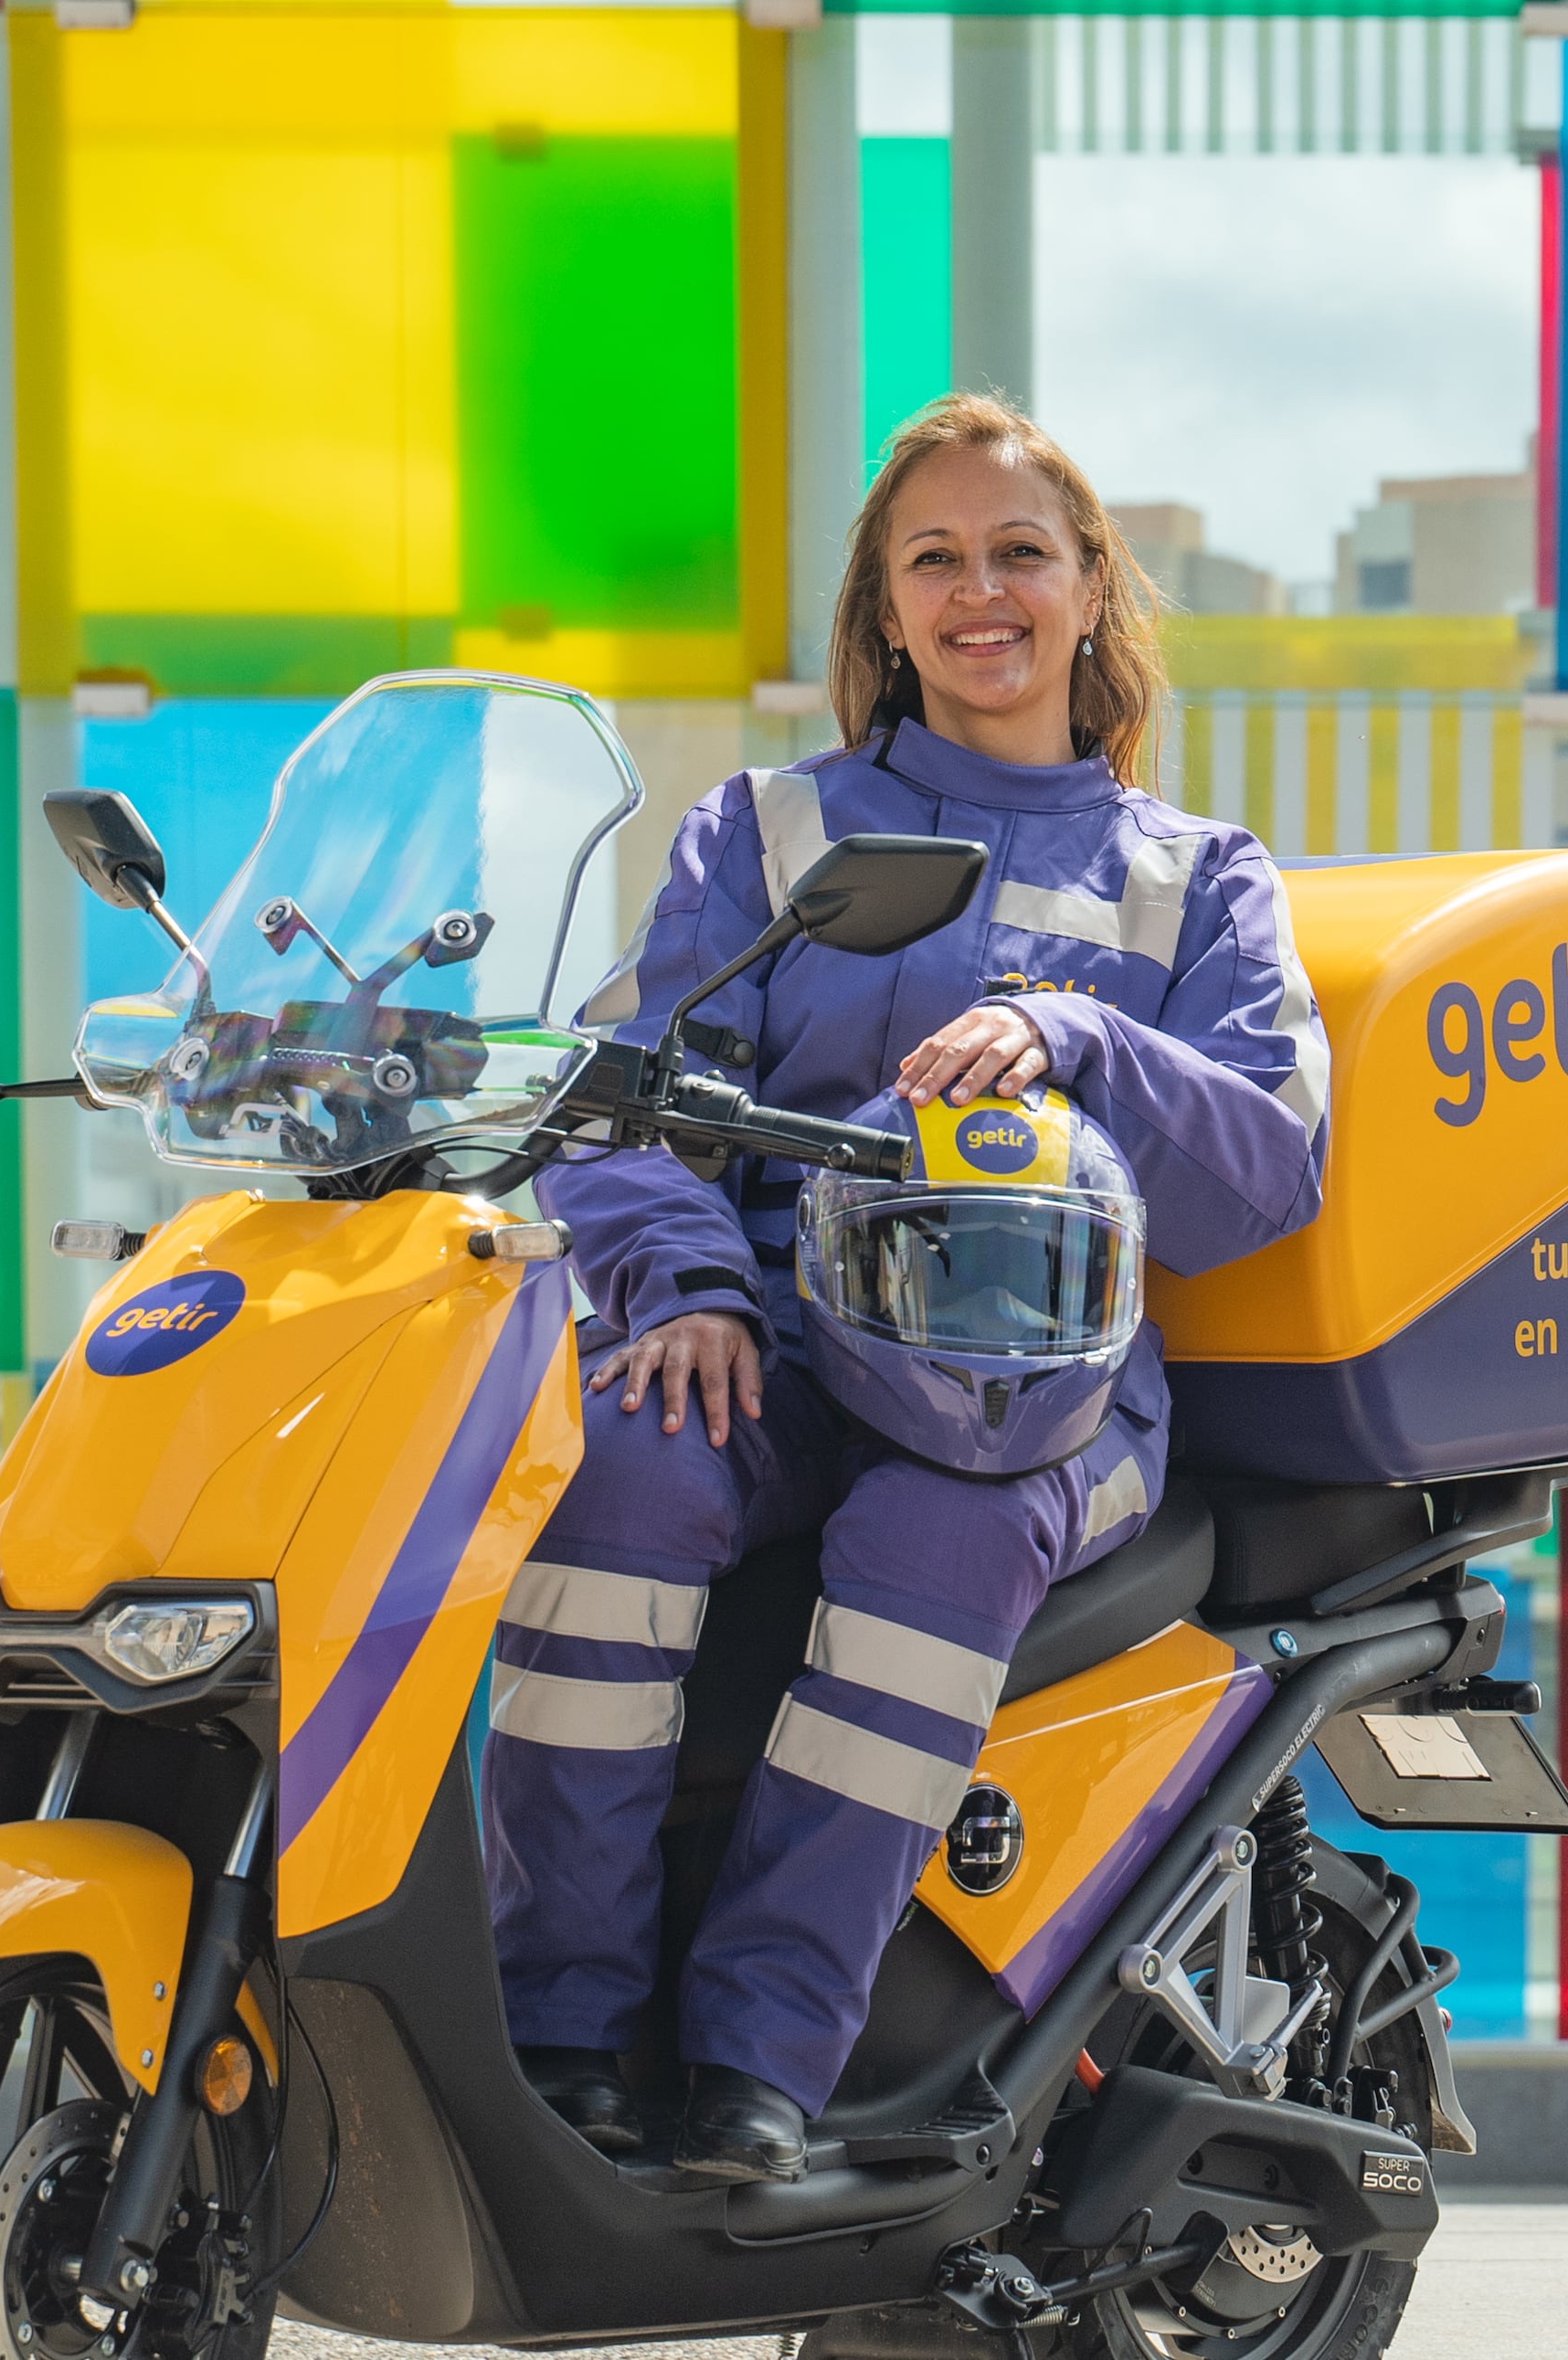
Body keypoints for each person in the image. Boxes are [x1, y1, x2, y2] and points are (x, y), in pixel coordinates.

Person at [481, 396, 1330, 2182]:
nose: (979, 592)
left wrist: (1082, 1032)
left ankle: (767, 2064)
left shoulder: (1197, 881)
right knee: (621, 1458)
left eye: (1020, 550)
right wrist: (690, 1286)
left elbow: (1266, 1171)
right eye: (930, 558)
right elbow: (626, 1094)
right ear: (882, 608)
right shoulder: (770, 830)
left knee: (937, 1537)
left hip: (1052, 1395)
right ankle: (557, 2028)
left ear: (1095, 589)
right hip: (780, 1327)